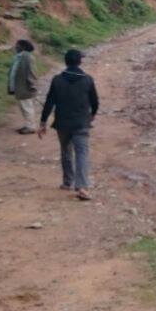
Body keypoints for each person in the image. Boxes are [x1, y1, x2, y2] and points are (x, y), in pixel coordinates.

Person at [38, 49, 99, 201]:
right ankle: (82, 187)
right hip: (81, 123)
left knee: (66, 151)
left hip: (62, 124)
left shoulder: (57, 80)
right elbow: (95, 102)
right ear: (80, 62)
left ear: (65, 62)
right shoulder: (88, 80)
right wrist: (92, 116)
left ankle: (67, 182)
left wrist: (43, 122)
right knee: (82, 154)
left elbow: (49, 102)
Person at [9, 39, 38, 134]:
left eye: (17, 45)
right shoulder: (20, 57)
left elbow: (31, 72)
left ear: (23, 47)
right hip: (20, 86)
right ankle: (28, 125)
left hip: (25, 87)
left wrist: (32, 85)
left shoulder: (27, 57)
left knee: (27, 107)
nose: (16, 47)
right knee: (24, 106)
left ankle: (31, 127)